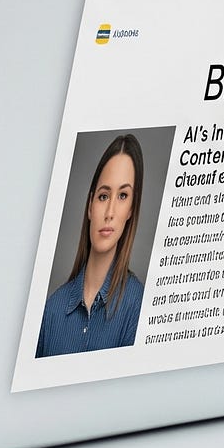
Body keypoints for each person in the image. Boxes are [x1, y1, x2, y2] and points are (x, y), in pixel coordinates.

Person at [35, 134, 145, 357]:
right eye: (104, 197)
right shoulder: (51, 311)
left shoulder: (139, 307)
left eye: (123, 196)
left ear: (131, 211)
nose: (110, 212)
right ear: (90, 206)